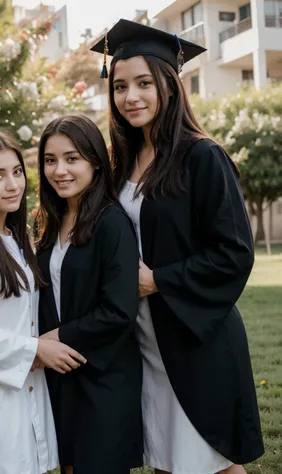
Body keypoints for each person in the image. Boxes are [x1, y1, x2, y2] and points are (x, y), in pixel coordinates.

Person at [91, 19, 264, 474]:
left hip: (193, 336)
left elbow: (234, 252)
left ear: (169, 85)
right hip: (145, 339)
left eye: (144, 83)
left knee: (213, 464)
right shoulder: (121, 162)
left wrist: (158, 280)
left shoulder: (201, 156)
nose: (130, 97)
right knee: (169, 460)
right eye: (121, 86)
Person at [0, 129, 84, 474]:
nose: (13, 185)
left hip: (19, 387)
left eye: (17, 172)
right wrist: (34, 349)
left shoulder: (12, 238)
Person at [35, 115, 143, 474]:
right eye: (50, 160)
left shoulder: (112, 222)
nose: (59, 170)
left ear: (95, 162)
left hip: (104, 374)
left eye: (72, 158)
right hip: (61, 375)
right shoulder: (49, 222)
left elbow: (119, 310)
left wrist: (56, 338)